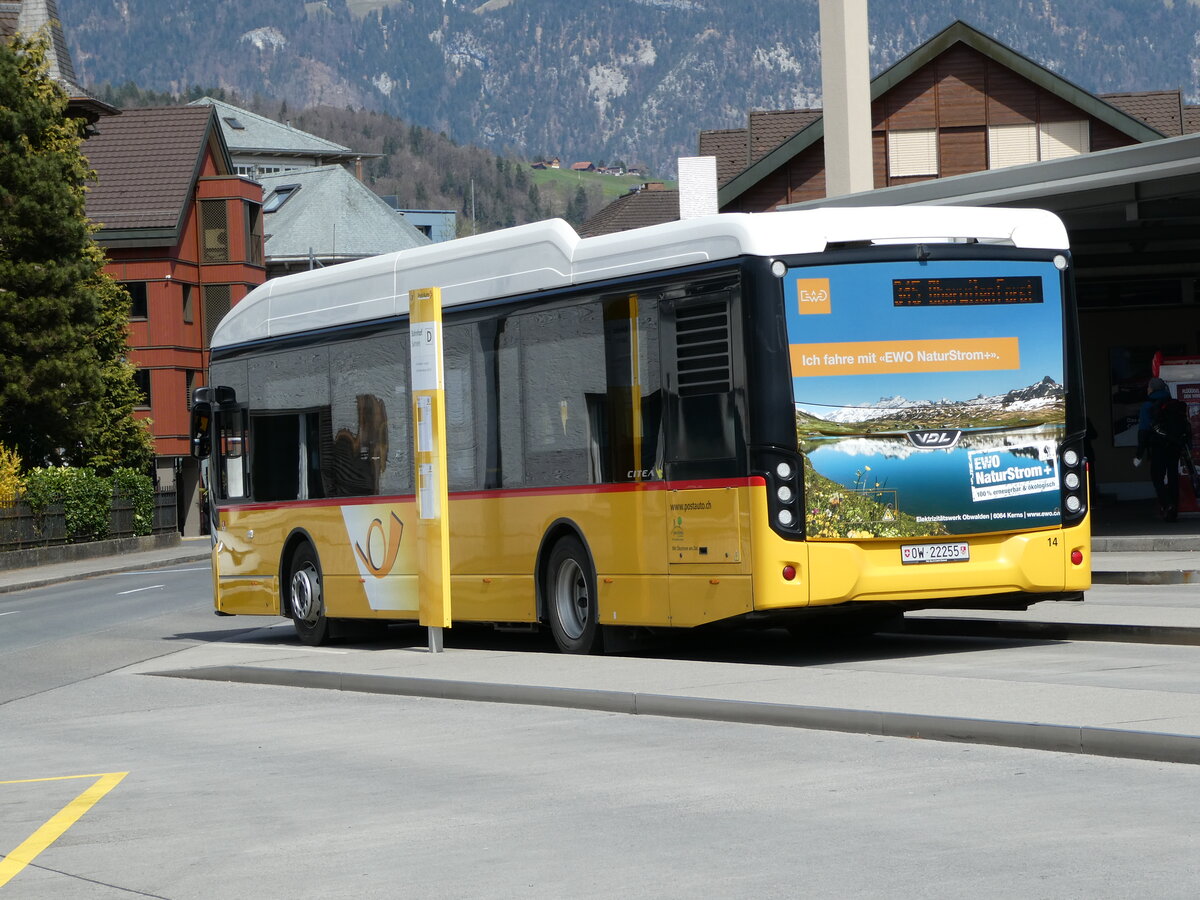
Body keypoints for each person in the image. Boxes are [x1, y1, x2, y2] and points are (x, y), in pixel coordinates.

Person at [1134, 377, 1193, 520]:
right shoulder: (1173, 403)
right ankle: (1174, 509)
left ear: (1152, 389)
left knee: (1157, 477)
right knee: (1173, 476)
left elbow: (1143, 430)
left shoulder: (1148, 405)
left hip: (1158, 446)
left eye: (1148, 387)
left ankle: (1167, 504)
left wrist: (1139, 454)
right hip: (1175, 446)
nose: (1147, 389)